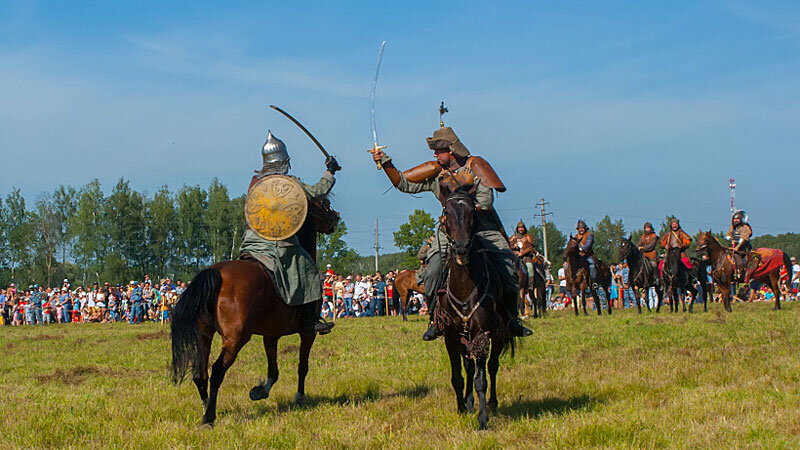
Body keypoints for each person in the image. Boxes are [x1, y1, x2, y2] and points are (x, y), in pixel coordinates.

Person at [370, 117, 531, 340]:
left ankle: (512, 319)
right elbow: (404, 184)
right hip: (449, 230)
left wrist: (464, 208)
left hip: (482, 228)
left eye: (439, 150)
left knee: (509, 268)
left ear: (452, 150)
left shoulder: (476, 167)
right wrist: (386, 163)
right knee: (433, 269)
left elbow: (485, 202)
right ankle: (436, 320)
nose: (435, 155)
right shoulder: (437, 174)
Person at [238, 131, 340, 335]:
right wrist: (330, 171)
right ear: (284, 161)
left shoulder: (254, 184)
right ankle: (312, 319)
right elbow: (317, 192)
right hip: (278, 243)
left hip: (250, 243)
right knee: (310, 271)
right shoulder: (288, 183)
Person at [509, 220, 538, 289]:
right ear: (517, 229)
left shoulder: (528, 236)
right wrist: (514, 247)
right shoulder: (513, 237)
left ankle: (530, 284)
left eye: (522, 228)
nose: (521, 229)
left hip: (526, 257)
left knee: (530, 267)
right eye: (519, 228)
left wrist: (522, 253)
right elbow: (509, 246)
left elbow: (530, 247)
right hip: (516, 256)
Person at [726, 210, 752, 280]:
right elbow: (728, 235)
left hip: (743, 248)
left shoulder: (745, 227)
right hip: (733, 247)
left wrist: (737, 247)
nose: (736, 220)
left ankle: (740, 272)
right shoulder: (733, 227)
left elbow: (744, 238)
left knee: (740, 261)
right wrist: (731, 240)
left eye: (737, 219)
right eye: (735, 219)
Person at [575, 220, 597, 286]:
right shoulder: (576, 236)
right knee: (568, 266)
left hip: (587, 255)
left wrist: (581, 249)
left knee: (592, 265)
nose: (581, 229)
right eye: (579, 228)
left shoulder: (589, 235)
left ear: (585, 228)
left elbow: (588, 244)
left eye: (582, 228)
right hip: (578, 256)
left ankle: (593, 281)